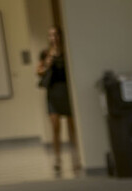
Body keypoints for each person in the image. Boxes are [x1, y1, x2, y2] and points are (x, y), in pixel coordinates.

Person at [36, 26, 79, 172]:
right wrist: (48, 62)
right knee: (55, 127)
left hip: (66, 91)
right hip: (53, 92)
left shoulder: (68, 52)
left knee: (72, 126)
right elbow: (39, 71)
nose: (53, 38)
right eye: (50, 35)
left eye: (56, 35)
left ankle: (77, 155)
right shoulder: (45, 53)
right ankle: (57, 158)